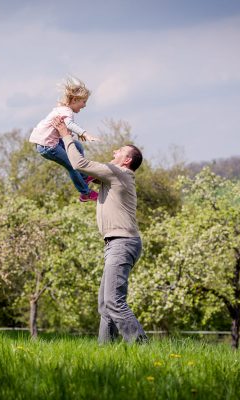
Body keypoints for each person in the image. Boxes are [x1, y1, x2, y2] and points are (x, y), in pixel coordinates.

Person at [52, 117, 148, 344]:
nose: (114, 151)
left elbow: (80, 165)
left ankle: (142, 346)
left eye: (120, 151)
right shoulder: (115, 177)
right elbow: (84, 174)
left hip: (123, 243)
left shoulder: (119, 173)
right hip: (116, 243)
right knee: (106, 305)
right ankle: (106, 351)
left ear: (126, 160)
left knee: (114, 302)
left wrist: (66, 134)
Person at [29, 77, 100, 202]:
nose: (84, 105)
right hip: (48, 146)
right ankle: (85, 193)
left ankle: (83, 176)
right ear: (74, 100)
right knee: (73, 165)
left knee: (77, 146)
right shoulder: (67, 111)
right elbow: (69, 125)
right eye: (83, 102)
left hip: (48, 142)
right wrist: (85, 133)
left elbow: (64, 127)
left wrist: (75, 134)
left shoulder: (62, 109)